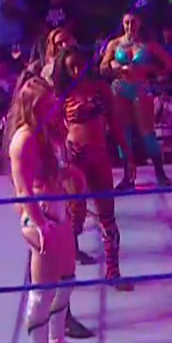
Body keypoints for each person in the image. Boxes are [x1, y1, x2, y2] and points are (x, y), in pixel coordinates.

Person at [6, 76, 93, 343]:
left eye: (52, 103)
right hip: (40, 214)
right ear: (31, 108)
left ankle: (57, 340)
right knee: (43, 288)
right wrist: (41, 225)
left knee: (67, 277)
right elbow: (23, 190)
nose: (52, 108)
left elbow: (52, 168)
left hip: (58, 209)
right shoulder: (24, 140)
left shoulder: (48, 131)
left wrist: (70, 173)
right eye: (45, 105)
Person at [53, 46, 123, 297]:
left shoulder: (100, 90)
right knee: (75, 216)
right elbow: (54, 131)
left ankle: (113, 272)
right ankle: (65, 276)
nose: (76, 70)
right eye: (70, 67)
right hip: (75, 159)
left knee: (108, 215)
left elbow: (115, 123)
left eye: (79, 65)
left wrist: (127, 156)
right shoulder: (62, 95)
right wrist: (61, 158)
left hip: (99, 156)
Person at [100, 12, 172, 190]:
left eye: (133, 22)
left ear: (139, 24)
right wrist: (113, 66)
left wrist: (149, 70)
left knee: (147, 131)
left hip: (141, 88)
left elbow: (170, 64)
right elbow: (102, 68)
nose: (130, 26)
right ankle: (128, 176)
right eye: (126, 22)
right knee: (123, 132)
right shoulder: (114, 44)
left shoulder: (148, 45)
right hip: (120, 88)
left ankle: (160, 173)